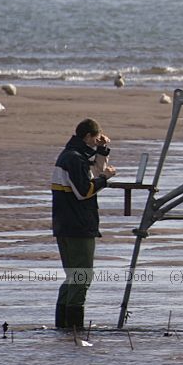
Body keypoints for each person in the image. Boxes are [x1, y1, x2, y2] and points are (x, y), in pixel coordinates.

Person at [51, 118, 117, 329]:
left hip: (65, 225)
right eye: (96, 138)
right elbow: (84, 191)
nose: (98, 140)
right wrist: (105, 179)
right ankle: (74, 329)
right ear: (87, 136)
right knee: (82, 276)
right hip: (78, 226)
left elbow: (95, 171)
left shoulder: (72, 155)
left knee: (73, 276)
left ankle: (62, 328)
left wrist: (102, 149)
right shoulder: (74, 159)